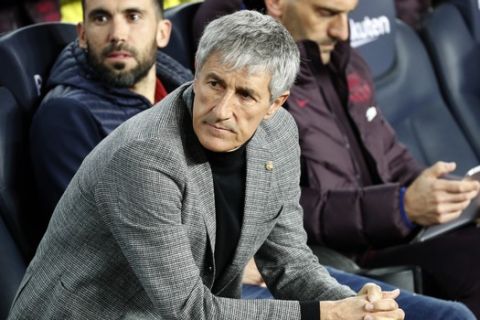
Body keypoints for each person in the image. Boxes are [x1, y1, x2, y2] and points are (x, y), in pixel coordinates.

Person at [8, 10, 406, 320]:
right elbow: (190, 311)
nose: (221, 110)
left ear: (275, 104)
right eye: (215, 84)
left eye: (246, 95)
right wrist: (328, 313)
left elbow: (288, 263)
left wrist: (357, 305)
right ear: (197, 75)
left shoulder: (280, 135)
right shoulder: (144, 156)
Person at [192, 0, 480, 317]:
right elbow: (275, 209)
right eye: (326, 13)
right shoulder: (252, 92)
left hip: (394, 232)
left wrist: (451, 193)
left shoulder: (346, 61)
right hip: (341, 255)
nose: (342, 30)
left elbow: (391, 156)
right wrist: (400, 207)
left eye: (347, 14)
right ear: (276, 4)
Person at [29, 0, 192, 236]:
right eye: (101, 18)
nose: (117, 35)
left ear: (162, 32)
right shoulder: (65, 116)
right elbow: (94, 240)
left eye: (133, 17)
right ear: (82, 34)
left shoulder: (184, 87)